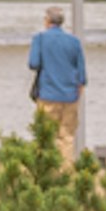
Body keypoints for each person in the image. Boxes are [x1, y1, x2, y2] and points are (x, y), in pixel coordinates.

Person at [27, 11, 86, 145]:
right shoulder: (74, 41)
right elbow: (81, 72)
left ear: (47, 21)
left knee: (46, 136)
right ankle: (66, 165)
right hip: (70, 95)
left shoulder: (40, 39)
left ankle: (49, 165)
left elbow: (33, 64)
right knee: (67, 137)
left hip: (47, 94)